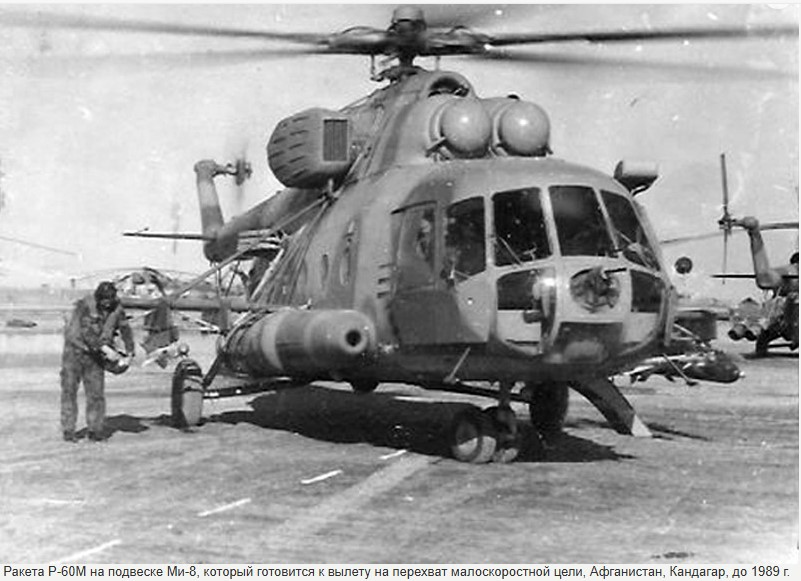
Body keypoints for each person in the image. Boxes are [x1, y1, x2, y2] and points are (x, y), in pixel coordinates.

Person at [60, 281, 135, 442]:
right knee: (69, 392)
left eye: (110, 299)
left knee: (96, 394)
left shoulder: (117, 308)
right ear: (98, 298)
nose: (107, 303)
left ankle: (95, 431)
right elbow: (86, 332)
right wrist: (106, 349)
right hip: (74, 353)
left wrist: (130, 352)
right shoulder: (86, 306)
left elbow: (125, 329)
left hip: (95, 356)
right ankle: (68, 431)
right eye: (104, 300)